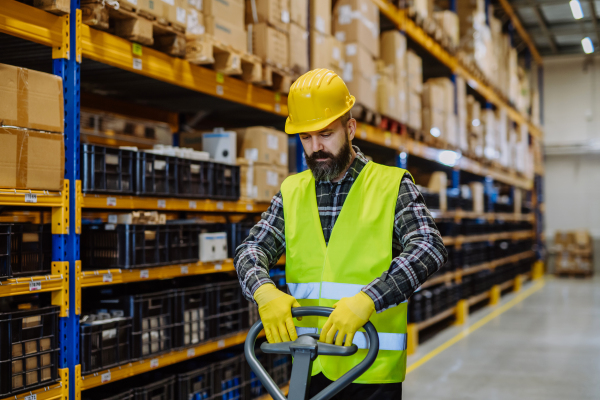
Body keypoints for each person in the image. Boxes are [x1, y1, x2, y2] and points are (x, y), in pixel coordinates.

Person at [234, 68, 448, 399]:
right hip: (309, 362)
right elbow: (251, 249)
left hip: (371, 368)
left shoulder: (391, 184)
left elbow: (429, 247)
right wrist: (263, 291)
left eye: (326, 133)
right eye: (306, 137)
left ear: (350, 128)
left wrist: (368, 299)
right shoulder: (292, 190)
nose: (316, 147)